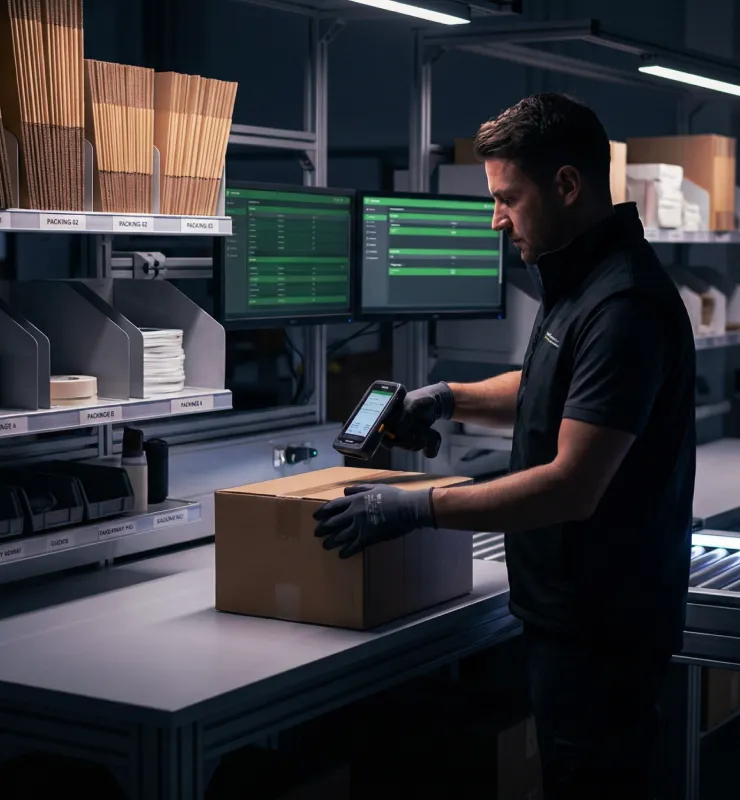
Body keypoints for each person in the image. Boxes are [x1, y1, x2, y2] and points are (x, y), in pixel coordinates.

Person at [314, 93, 696, 798]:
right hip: (574, 613)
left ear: (567, 185)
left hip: (601, 630)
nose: (496, 219)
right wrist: (447, 398)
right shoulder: (582, 278)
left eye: (506, 198)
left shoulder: (623, 304)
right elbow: (553, 385)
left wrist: (416, 508)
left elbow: (571, 486)